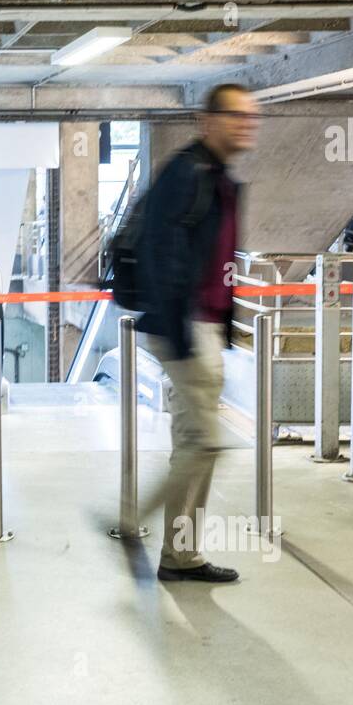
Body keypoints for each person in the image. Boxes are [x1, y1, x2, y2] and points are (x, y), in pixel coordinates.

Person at [135, 82, 260, 584]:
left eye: (251, 118)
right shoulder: (186, 174)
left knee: (195, 443)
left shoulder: (218, 176)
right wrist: (183, 334)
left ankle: (179, 554)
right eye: (236, 116)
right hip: (186, 327)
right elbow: (160, 254)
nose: (245, 125)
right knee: (204, 443)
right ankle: (133, 516)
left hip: (205, 326)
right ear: (208, 120)